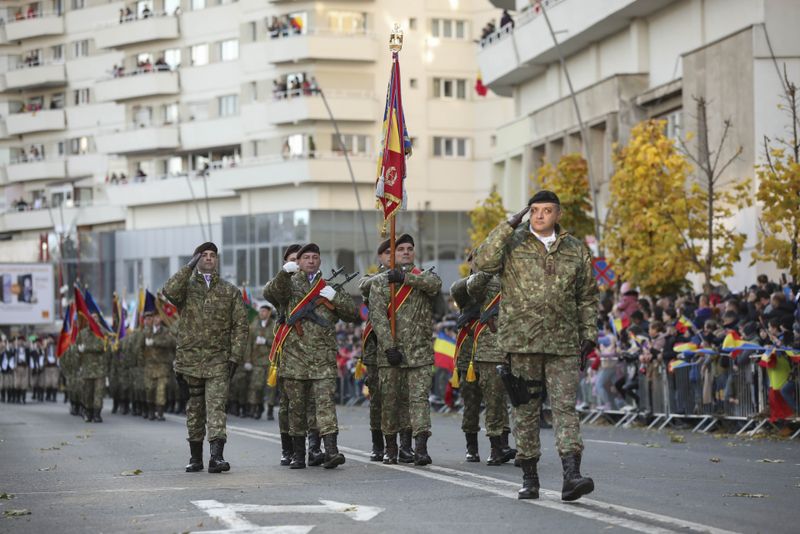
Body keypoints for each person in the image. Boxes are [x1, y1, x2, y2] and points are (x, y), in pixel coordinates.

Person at [474, 190, 598, 501]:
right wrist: (509, 223)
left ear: (558, 214)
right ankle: (530, 476)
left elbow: (587, 296)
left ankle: (572, 474)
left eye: (546, 210)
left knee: (565, 409)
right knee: (525, 411)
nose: (539, 215)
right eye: (534, 210)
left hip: (563, 342)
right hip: (521, 342)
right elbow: (483, 260)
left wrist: (589, 334)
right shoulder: (514, 242)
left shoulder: (575, 250)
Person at [263, 243, 358, 469]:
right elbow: (271, 293)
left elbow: (352, 314)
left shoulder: (329, 287)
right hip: (294, 358)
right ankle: (297, 454)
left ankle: (331, 450)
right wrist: (283, 273)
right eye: (306, 257)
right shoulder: (288, 285)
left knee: (325, 405)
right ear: (299, 262)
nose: (311, 261)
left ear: (320, 261)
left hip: (322, 359)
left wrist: (336, 298)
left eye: (315, 257)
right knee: (297, 408)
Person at [162, 242, 248, 474]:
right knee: (195, 410)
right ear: (196, 259)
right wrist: (188, 266)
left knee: (217, 407)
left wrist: (235, 357)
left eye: (212, 255)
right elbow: (168, 291)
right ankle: (195, 457)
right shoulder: (186, 288)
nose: (209, 258)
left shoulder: (229, 291)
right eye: (204, 255)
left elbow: (240, 326)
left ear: (217, 260)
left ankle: (216, 457)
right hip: (190, 360)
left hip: (218, 360)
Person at [370, 234, 442, 465]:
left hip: (419, 353)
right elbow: (378, 317)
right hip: (391, 354)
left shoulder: (423, 277)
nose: (405, 252)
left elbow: (435, 286)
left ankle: (420, 447)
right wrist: (389, 347)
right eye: (400, 249)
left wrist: (405, 278)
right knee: (391, 402)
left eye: (409, 248)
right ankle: (391, 448)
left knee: (419, 400)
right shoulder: (381, 282)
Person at [358, 239, 396, 461]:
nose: (392, 256)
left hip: (401, 346)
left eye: (396, 252)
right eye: (387, 253)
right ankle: (377, 443)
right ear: (380, 257)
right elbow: (363, 285)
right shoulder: (372, 279)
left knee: (399, 399)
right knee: (378, 399)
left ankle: (403, 444)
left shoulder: (410, 277)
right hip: (375, 348)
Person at [141, 312, 176, 421]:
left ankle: (160, 413)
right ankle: (151, 411)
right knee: (150, 389)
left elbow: (171, 343)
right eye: (153, 317)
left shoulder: (166, 331)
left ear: (161, 318)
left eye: (157, 317)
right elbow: (140, 348)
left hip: (162, 366)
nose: (155, 319)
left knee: (161, 390)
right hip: (149, 367)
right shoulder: (146, 331)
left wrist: (155, 342)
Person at [77, 318, 110, 422]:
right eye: (91, 320)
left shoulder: (102, 333)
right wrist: (79, 353)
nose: (93, 322)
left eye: (96, 320)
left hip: (99, 368)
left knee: (99, 393)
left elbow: (102, 347)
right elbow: (77, 347)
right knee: (88, 393)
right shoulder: (82, 334)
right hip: (87, 368)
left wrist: (86, 348)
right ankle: (89, 412)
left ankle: (97, 414)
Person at [245, 305, 274, 419]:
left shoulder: (274, 325)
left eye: (264, 311)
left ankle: (270, 411)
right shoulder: (253, 325)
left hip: (271, 362)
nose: (262, 313)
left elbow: (278, 342)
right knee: (257, 386)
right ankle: (258, 407)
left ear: (269, 313)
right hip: (257, 361)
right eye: (261, 311)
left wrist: (266, 341)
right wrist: (247, 360)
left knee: (271, 387)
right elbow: (249, 345)